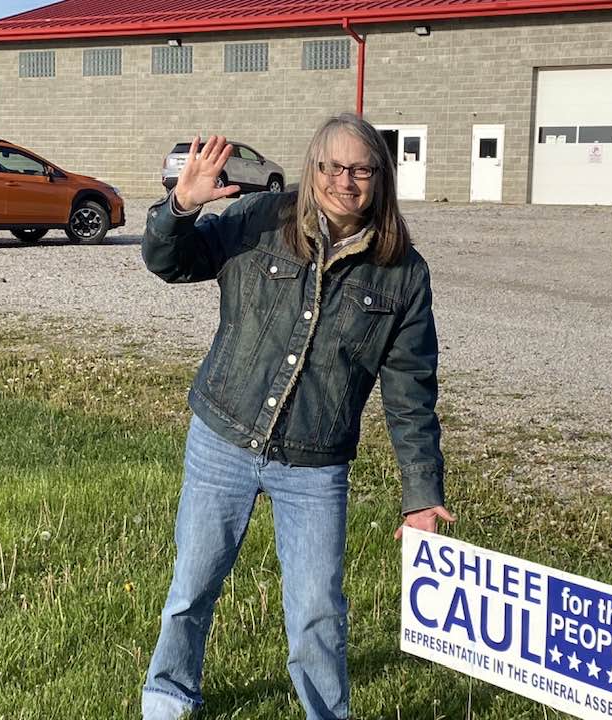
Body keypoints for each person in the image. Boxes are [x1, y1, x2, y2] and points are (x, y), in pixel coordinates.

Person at [141, 113, 453, 720]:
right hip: (223, 437)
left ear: (381, 178)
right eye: (331, 166)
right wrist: (180, 206)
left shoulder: (404, 274)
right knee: (191, 587)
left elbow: (411, 391)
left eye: (361, 169)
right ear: (312, 167)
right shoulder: (261, 220)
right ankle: (169, 697)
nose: (345, 181)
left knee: (317, 611)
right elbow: (168, 262)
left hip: (314, 465)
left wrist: (420, 493)